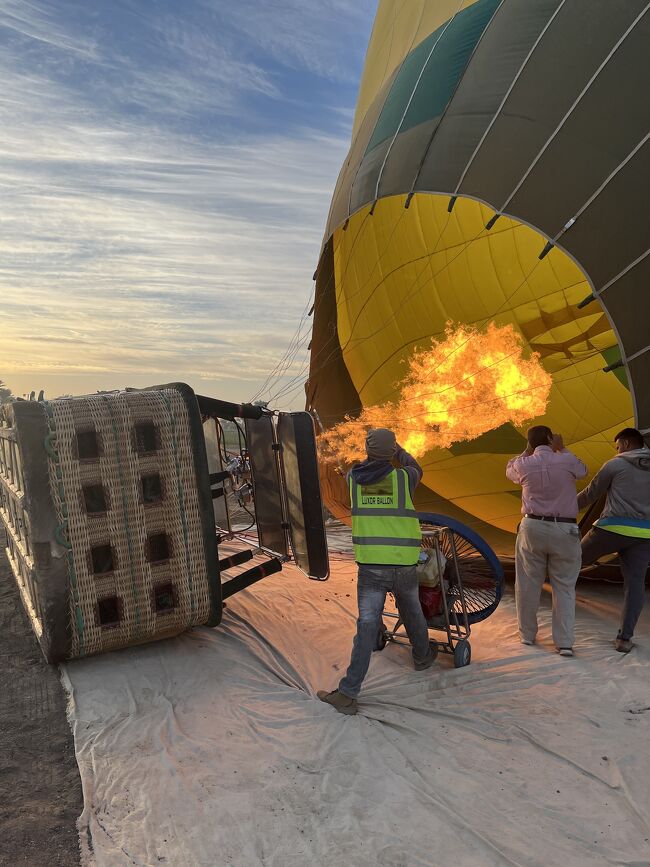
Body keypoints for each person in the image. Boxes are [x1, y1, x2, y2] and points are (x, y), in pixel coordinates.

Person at [318, 428, 435, 715]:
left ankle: (347, 694)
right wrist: (399, 451)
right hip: (404, 564)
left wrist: (368, 455)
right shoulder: (403, 478)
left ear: (368, 451)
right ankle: (422, 656)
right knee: (412, 611)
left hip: (371, 567)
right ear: (391, 451)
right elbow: (415, 466)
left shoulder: (353, 481)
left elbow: (352, 469)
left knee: (367, 624)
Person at [506, 426, 588, 656]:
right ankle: (564, 644)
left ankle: (527, 635)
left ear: (530, 443)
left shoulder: (523, 464)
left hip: (532, 526)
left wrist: (527, 451)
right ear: (551, 439)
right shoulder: (567, 460)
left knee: (527, 583)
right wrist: (561, 448)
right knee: (564, 586)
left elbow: (510, 470)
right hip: (564, 528)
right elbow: (583, 470)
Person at [578, 428, 650, 652]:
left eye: (618, 446)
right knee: (635, 585)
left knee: (568, 564)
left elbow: (591, 493)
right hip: (644, 535)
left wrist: (560, 509)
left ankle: (560, 630)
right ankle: (624, 639)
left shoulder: (615, 464)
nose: (617, 450)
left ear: (627, 444)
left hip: (611, 529)